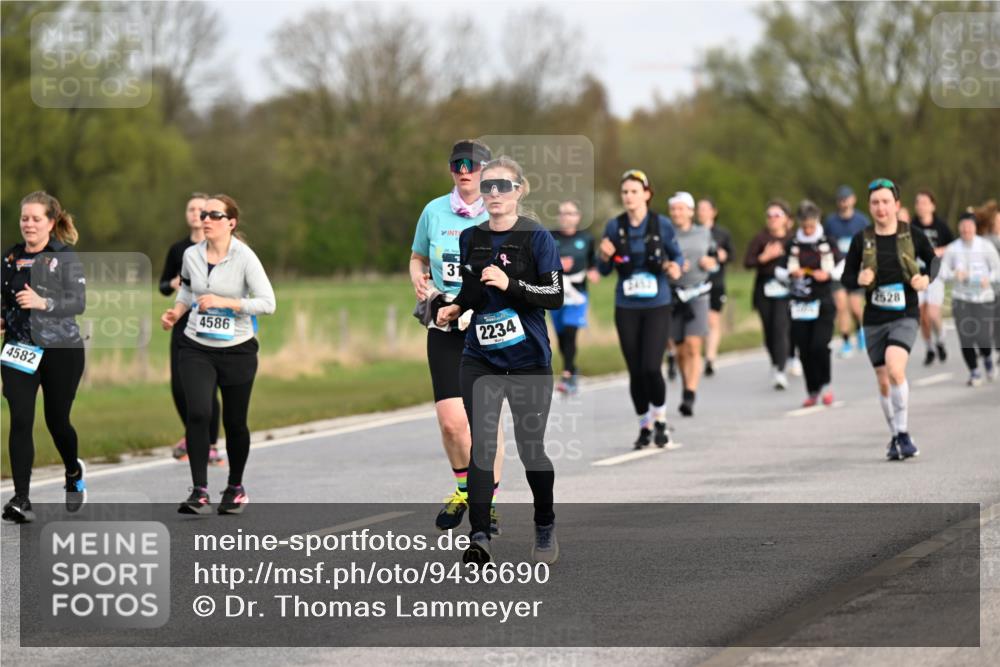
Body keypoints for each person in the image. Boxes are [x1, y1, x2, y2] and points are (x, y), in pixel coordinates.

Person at [436, 156, 564, 565]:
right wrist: (456, 307)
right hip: (481, 359)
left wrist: (511, 284)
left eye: (503, 186)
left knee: (531, 450)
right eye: (488, 186)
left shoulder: (537, 237)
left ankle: (544, 524)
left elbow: (554, 296)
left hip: (528, 361)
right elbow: (474, 291)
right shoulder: (470, 238)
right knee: (482, 447)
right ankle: (479, 536)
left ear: (519, 190)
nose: (494, 193)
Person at [410, 139, 505, 535]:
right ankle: (465, 490)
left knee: (485, 422)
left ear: (486, 170)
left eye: (472, 165)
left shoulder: (499, 212)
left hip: (488, 325)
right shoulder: (433, 211)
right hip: (444, 323)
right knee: (452, 422)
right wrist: (419, 279)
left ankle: (488, 504)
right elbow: (417, 257)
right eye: (457, 165)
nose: (464, 171)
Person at [161, 195, 275, 514]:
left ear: (231, 223)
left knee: (235, 422)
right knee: (198, 412)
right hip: (196, 345)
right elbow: (187, 289)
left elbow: (268, 303)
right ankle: (199, 491)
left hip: (238, 349)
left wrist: (226, 303)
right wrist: (176, 311)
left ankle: (235, 487)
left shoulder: (245, 257)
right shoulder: (191, 254)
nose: (206, 219)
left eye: (214, 214)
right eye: (203, 214)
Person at [2, 191, 87, 523]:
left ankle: (73, 471)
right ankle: (21, 499)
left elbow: (78, 302)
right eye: (25, 218)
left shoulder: (64, 257)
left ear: (51, 223)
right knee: (21, 419)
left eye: (36, 218)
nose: (29, 224)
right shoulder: (11, 258)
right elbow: (5, 299)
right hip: (20, 349)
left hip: (61, 350)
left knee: (57, 421)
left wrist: (43, 303)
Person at [841, 178, 937, 461]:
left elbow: (934, 261)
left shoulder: (912, 234)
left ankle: (904, 434)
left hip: (905, 313)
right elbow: (846, 276)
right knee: (883, 380)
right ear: (869, 207)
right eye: (875, 203)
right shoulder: (862, 239)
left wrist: (926, 279)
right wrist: (858, 279)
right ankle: (895, 435)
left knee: (896, 369)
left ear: (896, 205)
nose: (880, 208)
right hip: (874, 317)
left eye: (885, 202)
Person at [597, 170, 683, 449]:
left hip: (657, 304)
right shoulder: (614, 226)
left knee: (651, 367)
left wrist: (675, 267)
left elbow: (676, 255)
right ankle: (644, 425)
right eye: (625, 192)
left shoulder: (662, 225)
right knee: (635, 370)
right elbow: (603, 270)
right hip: (626, 305)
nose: (628, 197)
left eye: (634, 191)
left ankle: (661, 420)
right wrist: (604, 256)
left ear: (647, 194)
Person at [159, 193, 223, 465]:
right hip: (183, 323)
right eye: (191, 209)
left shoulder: (219, 247)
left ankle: (210, 444)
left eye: (201, 209)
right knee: (179, 387)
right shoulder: (179, 250)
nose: (196, 213)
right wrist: (175, 284)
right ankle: (192, 434)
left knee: (208, 389)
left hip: (210, 323)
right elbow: (163, 286)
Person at [778, 201, 843, 406]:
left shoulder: (827, 242)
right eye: (804, 226)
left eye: (811, 226)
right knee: (804, 349)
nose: (807, 230)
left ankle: (826, 385)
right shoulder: (792, 244)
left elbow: (843, 265)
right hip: (799, 304)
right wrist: (791, 273)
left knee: (819, 345)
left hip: (823, 301)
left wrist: (828, 274)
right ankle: (812, 390)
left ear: (817, 221)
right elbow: (778, 271)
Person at [667, 192, 716, 416]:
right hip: (673, 294)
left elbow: (714, 257)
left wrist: (710, 262)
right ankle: (686, 384)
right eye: (673, 209)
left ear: (690, 211)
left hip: (698, 292)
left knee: (693, 345)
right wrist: (671, 265)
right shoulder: (666, 234)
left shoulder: (703, 232)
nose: (677, 213)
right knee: (679, 350)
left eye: (681, 208)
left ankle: (690, 394)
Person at [937, 211, 1000, 385]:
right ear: (959, 228)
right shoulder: (953, 248)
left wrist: (989, 279)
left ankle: (987, 358)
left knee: (982, 337)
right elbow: (942, 272)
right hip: (961, 298)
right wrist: (954, 274)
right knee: (965, 338)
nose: (966, 230)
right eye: (963, 226)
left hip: (983, 298)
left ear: (975, 228)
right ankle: (974, 372)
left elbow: (998, 269)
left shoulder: (985, 246)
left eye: (969, 226)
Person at [550, 199, 599, 395]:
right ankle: (572, 366)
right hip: (555, 292)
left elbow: (592, 262)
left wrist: (594, 271)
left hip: (577, 294)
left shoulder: (586, 238)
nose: (565, 217)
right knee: (562, 336)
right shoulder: (549, 237)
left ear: (578, 217)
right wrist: (557, 263)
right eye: (562, 213)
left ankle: (567, 375)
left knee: (571, 331)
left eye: (570, 213)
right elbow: (538, 261)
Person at [744, 200, 794, 389]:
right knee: (769, 331)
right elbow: (747, 262)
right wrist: (764, 257)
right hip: (764, 288)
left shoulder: (792, 239)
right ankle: (775, 362)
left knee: (780, 327)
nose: (772, 219)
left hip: (786, 289)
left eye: (777, 215)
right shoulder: (760, 239)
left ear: (786, 219)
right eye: (769, 215)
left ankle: (781, 370)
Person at [824, 185, 871, 358]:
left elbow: (870, 244)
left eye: (846, 199)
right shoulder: (830, 222)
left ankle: (860, 331)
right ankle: (845, 342)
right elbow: (824, 244)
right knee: (841, 305)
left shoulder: (862, 221)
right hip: (837, 271)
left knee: (856, 307)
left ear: (853, 200)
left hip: (856, 269)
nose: (844, 203)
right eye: (841, 200)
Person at [912, 190, 954, 366]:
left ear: (932, 206)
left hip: (935, 274)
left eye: (924, 202)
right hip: (918, 274)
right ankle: (929, 348)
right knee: (922, 316)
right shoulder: (912, 226)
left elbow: (953, 245)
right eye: (918, 203)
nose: (920, 206)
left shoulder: (941, 226)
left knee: (933, 314)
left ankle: (941, 341)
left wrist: (937, 251)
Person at [697, 197, 733, 377]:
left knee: (712, 320)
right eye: (699, 209)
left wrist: (723, 255)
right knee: (700, 321)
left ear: (713, 212)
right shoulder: (692, 232)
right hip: (697, 283)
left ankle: (710, 358)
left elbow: (732, 255)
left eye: (705, 208)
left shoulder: (722, 233)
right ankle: (698, 355)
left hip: (716, 282)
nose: (701, 212)